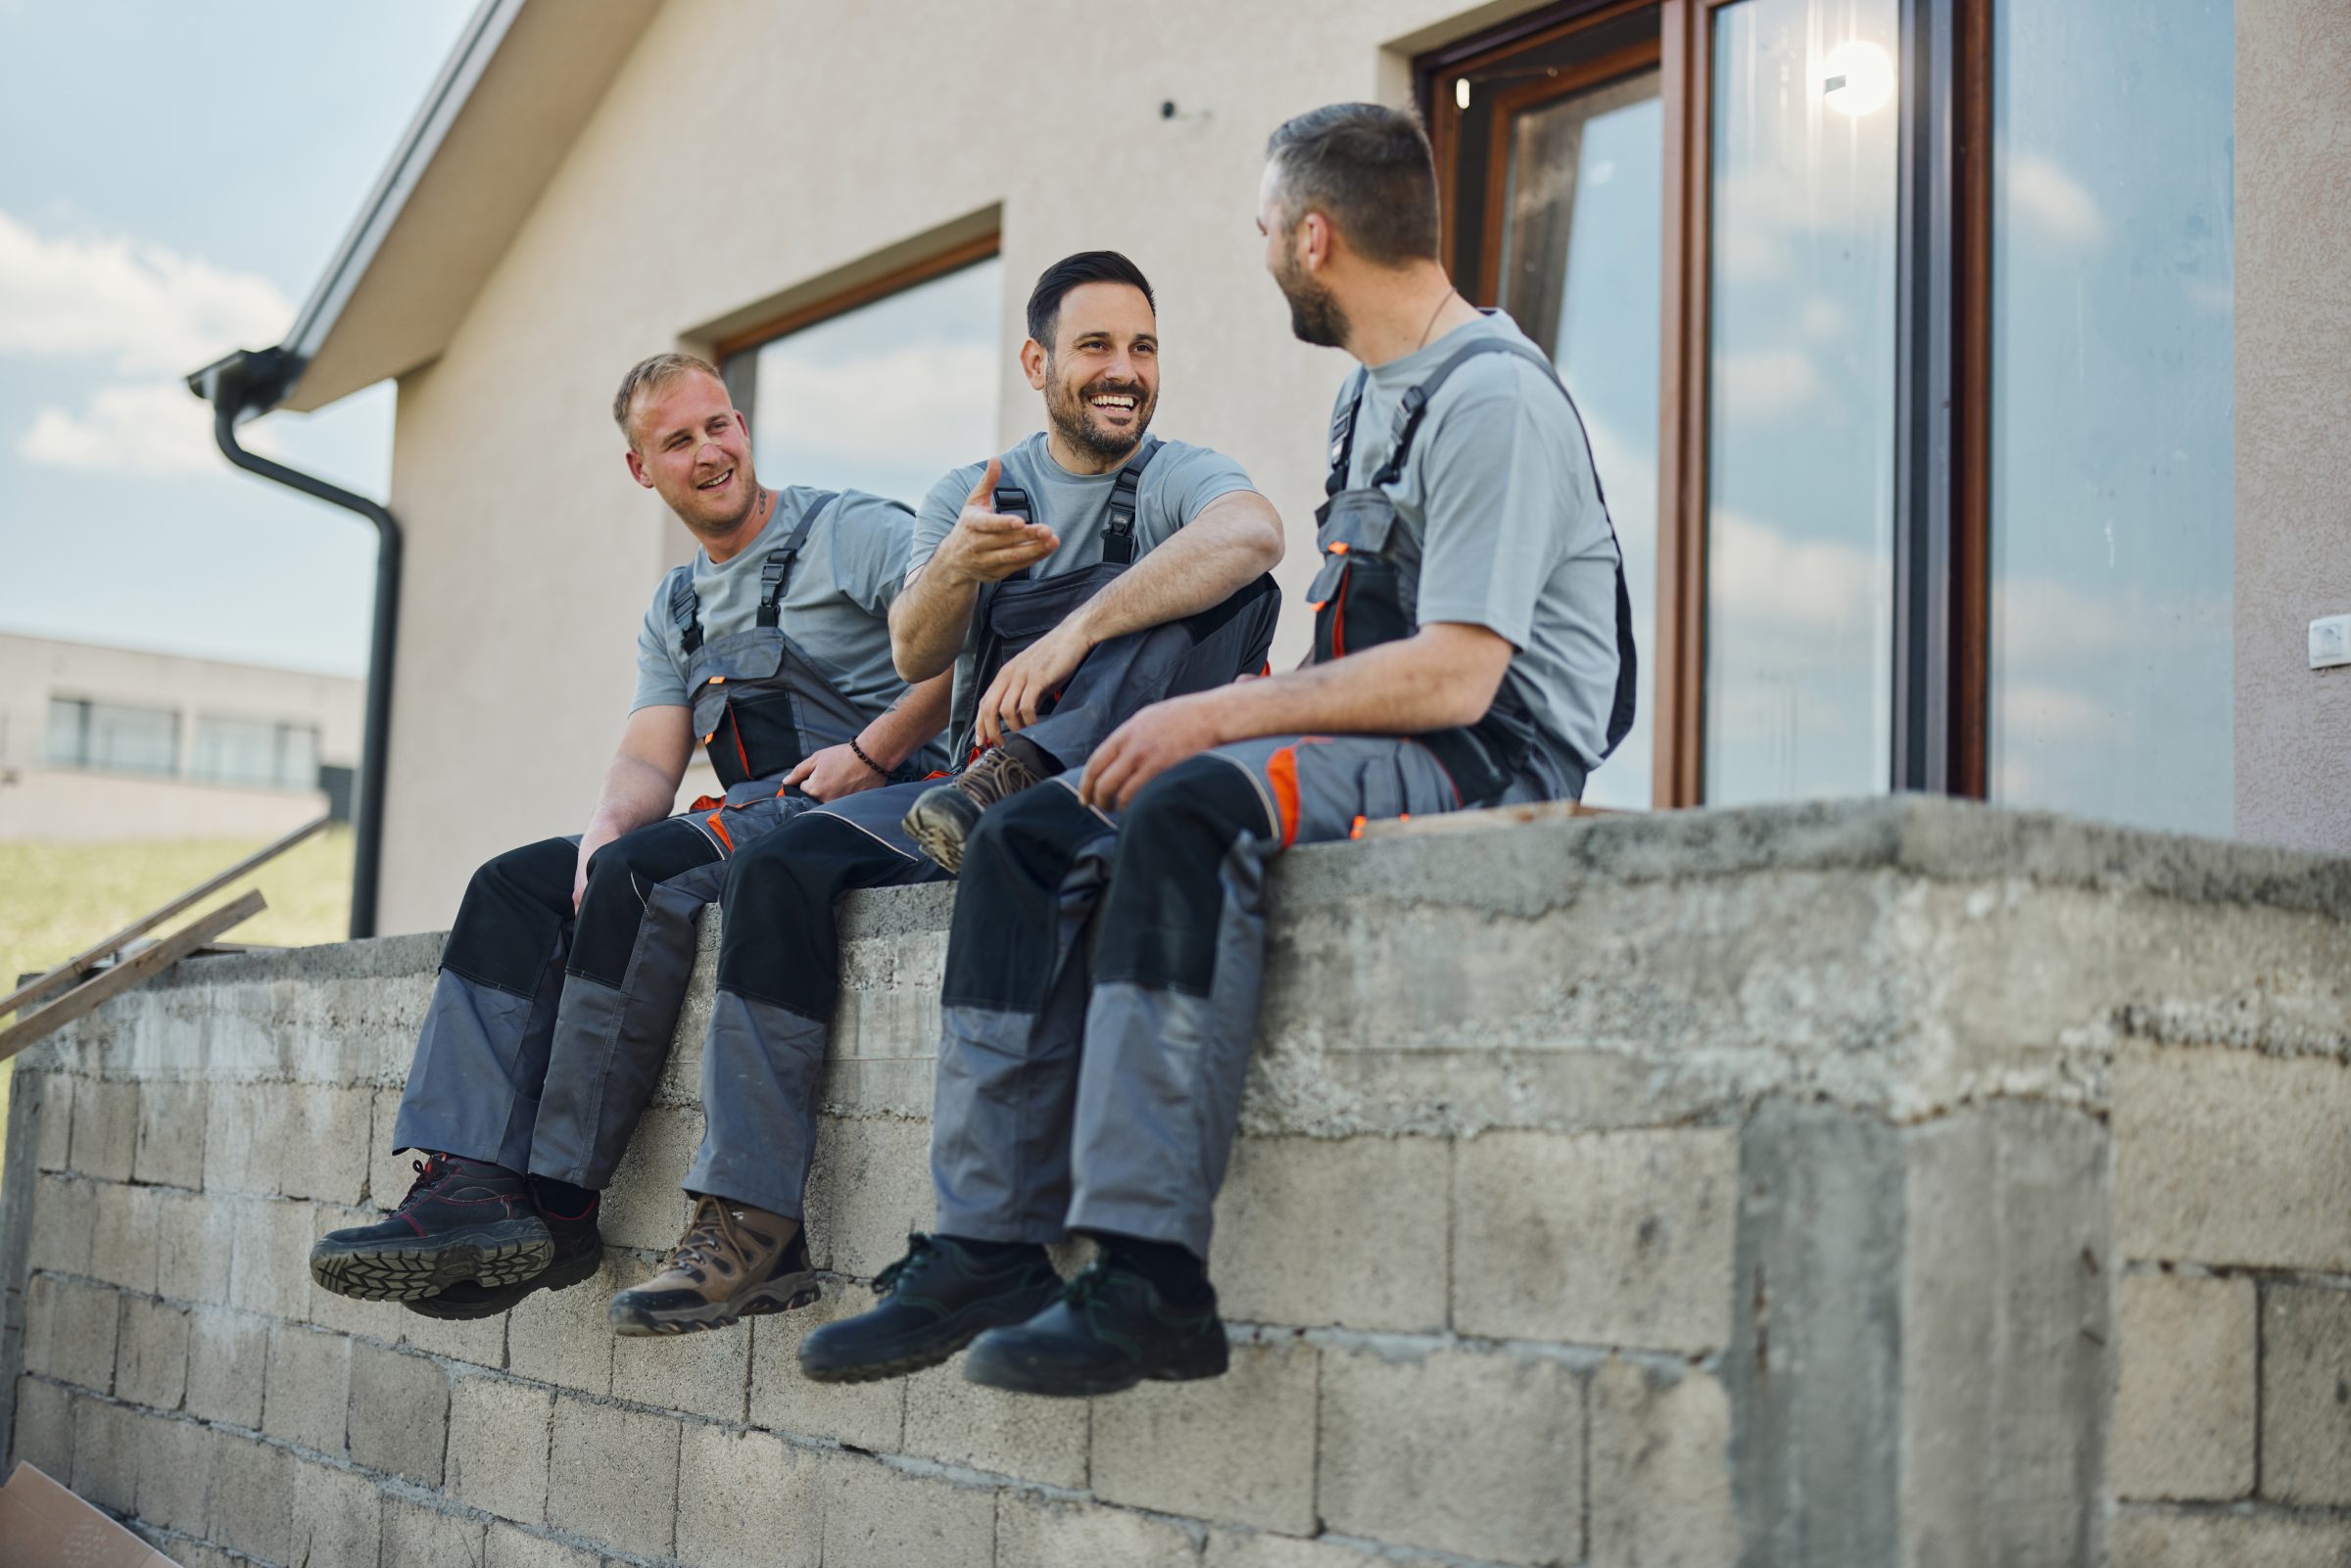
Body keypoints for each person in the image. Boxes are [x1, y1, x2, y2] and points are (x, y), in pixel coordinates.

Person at [800, 104, 1636, 1395]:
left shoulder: (1491, 399)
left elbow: (1465, 672)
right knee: (1028, 839)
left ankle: (1152, 1281)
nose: (1256, 253)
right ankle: (986, 1243)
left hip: (1491, 750)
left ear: (1313, 235)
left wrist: (1219, 711)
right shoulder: (1373, 392)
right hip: (1390, 729)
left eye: (1261, 227)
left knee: (1185, 803)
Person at [599, 250, 1287, 1336]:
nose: (1125, 370)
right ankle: (752, 1215)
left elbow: (1255, 536)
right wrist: (964, 563)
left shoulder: (1172, 477)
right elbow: (915, 642)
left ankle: (1030, 764)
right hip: (968, 786)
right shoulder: (973, 492)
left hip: (1107, 777)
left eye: (1143, 347)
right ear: (1038, 361)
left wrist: (1076, 627)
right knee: (781, 865)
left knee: (1210, 585)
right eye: (1097, 346)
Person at [309, 353, 950, 1322]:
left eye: (720, 426)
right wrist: (606, 824)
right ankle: (471, 1179)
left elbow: (973, 636)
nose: (711, 451)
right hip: (760, 811)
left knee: (646, 877)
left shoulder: (850, 532)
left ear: (743, 425)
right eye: (679, 440)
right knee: (519, 882)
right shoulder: (678, 606)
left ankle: (561, 1199)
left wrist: (872, 746)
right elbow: (653, 758)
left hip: (882, 800)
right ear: (640, 467)